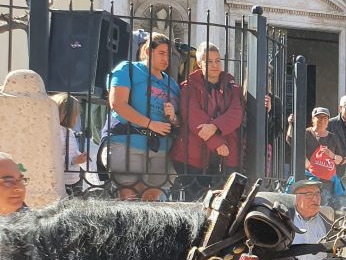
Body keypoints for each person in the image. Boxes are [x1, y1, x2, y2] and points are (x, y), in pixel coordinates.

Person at [102, 31, 181, 200]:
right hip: (127, 142)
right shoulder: (128, 69)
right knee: (129, 195)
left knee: (153, 201)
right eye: (161, 53)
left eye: (168, 55)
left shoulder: (172, 84)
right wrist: (149, 123)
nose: (166, 59)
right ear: (147, 51)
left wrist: (174, 117)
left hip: (162, 149)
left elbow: (180, 120)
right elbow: (117, 103)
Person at [170, 42, 242, 200]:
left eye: (218, 61)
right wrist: (216, 142)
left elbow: (236, 114)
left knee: (223, 204)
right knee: (196, 202)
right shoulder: (189, 87)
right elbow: (193, 117)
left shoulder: (232, 87)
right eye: (209, 61)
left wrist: (216, 125)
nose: (215, 65)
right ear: (199, 63)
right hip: (193, 156)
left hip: (225, 157)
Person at [288, 107, 346, 204]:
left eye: (325, 118)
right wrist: (291, 124)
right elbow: (291, 140)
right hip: (308, 179)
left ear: (328, 121)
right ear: (313, 119)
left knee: (324, 207)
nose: (322, 120)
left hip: (327, 182)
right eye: (319, 117)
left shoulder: (333, 138)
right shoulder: (306, 133)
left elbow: (341, 160)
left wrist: (332, 155)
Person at [287, 178, 332, 260]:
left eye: (317, 194)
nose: (315, 199)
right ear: (295, 197)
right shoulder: (284, 220)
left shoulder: (329, 226)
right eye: (309, 194)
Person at [52, 92, 88, 192]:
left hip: (72, 179)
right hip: (63, 181)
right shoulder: (57, 132)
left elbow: (71, 151)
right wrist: (74, 161)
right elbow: (53, 159)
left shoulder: (67, 131)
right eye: (76, 114)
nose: (77, 118)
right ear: (65, 114)